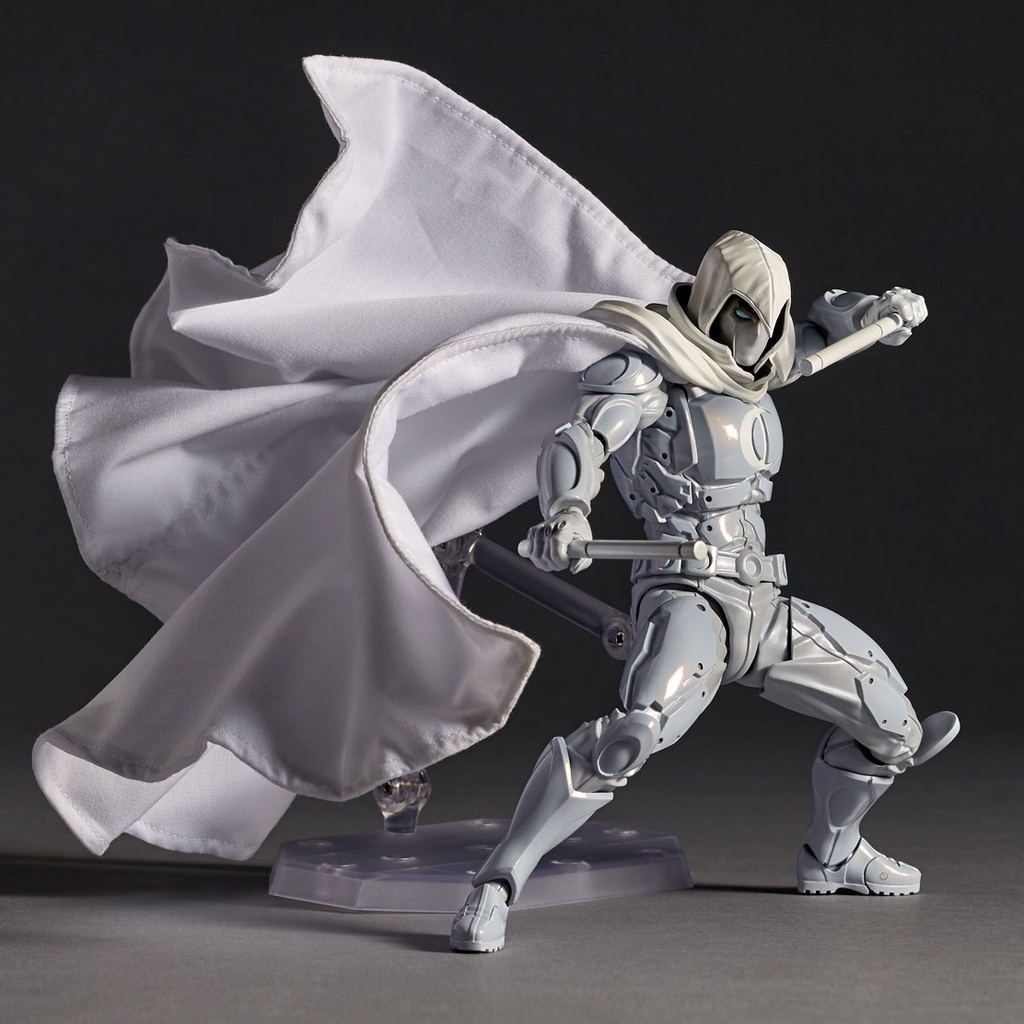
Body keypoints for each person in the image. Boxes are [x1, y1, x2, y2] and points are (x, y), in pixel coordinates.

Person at [450, 229, 959, 953]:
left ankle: (833, 854)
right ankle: (498, 883)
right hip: (686, 595)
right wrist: (568, 511)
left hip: (764, 602)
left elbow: (829, 326)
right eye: (746, 317)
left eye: (770, 323)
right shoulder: (650, 375)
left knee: (894, 727)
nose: (760, 341)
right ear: (717, 307)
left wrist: (883, 310)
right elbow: (580, 440)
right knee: (633, 732)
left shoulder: (763, 367)